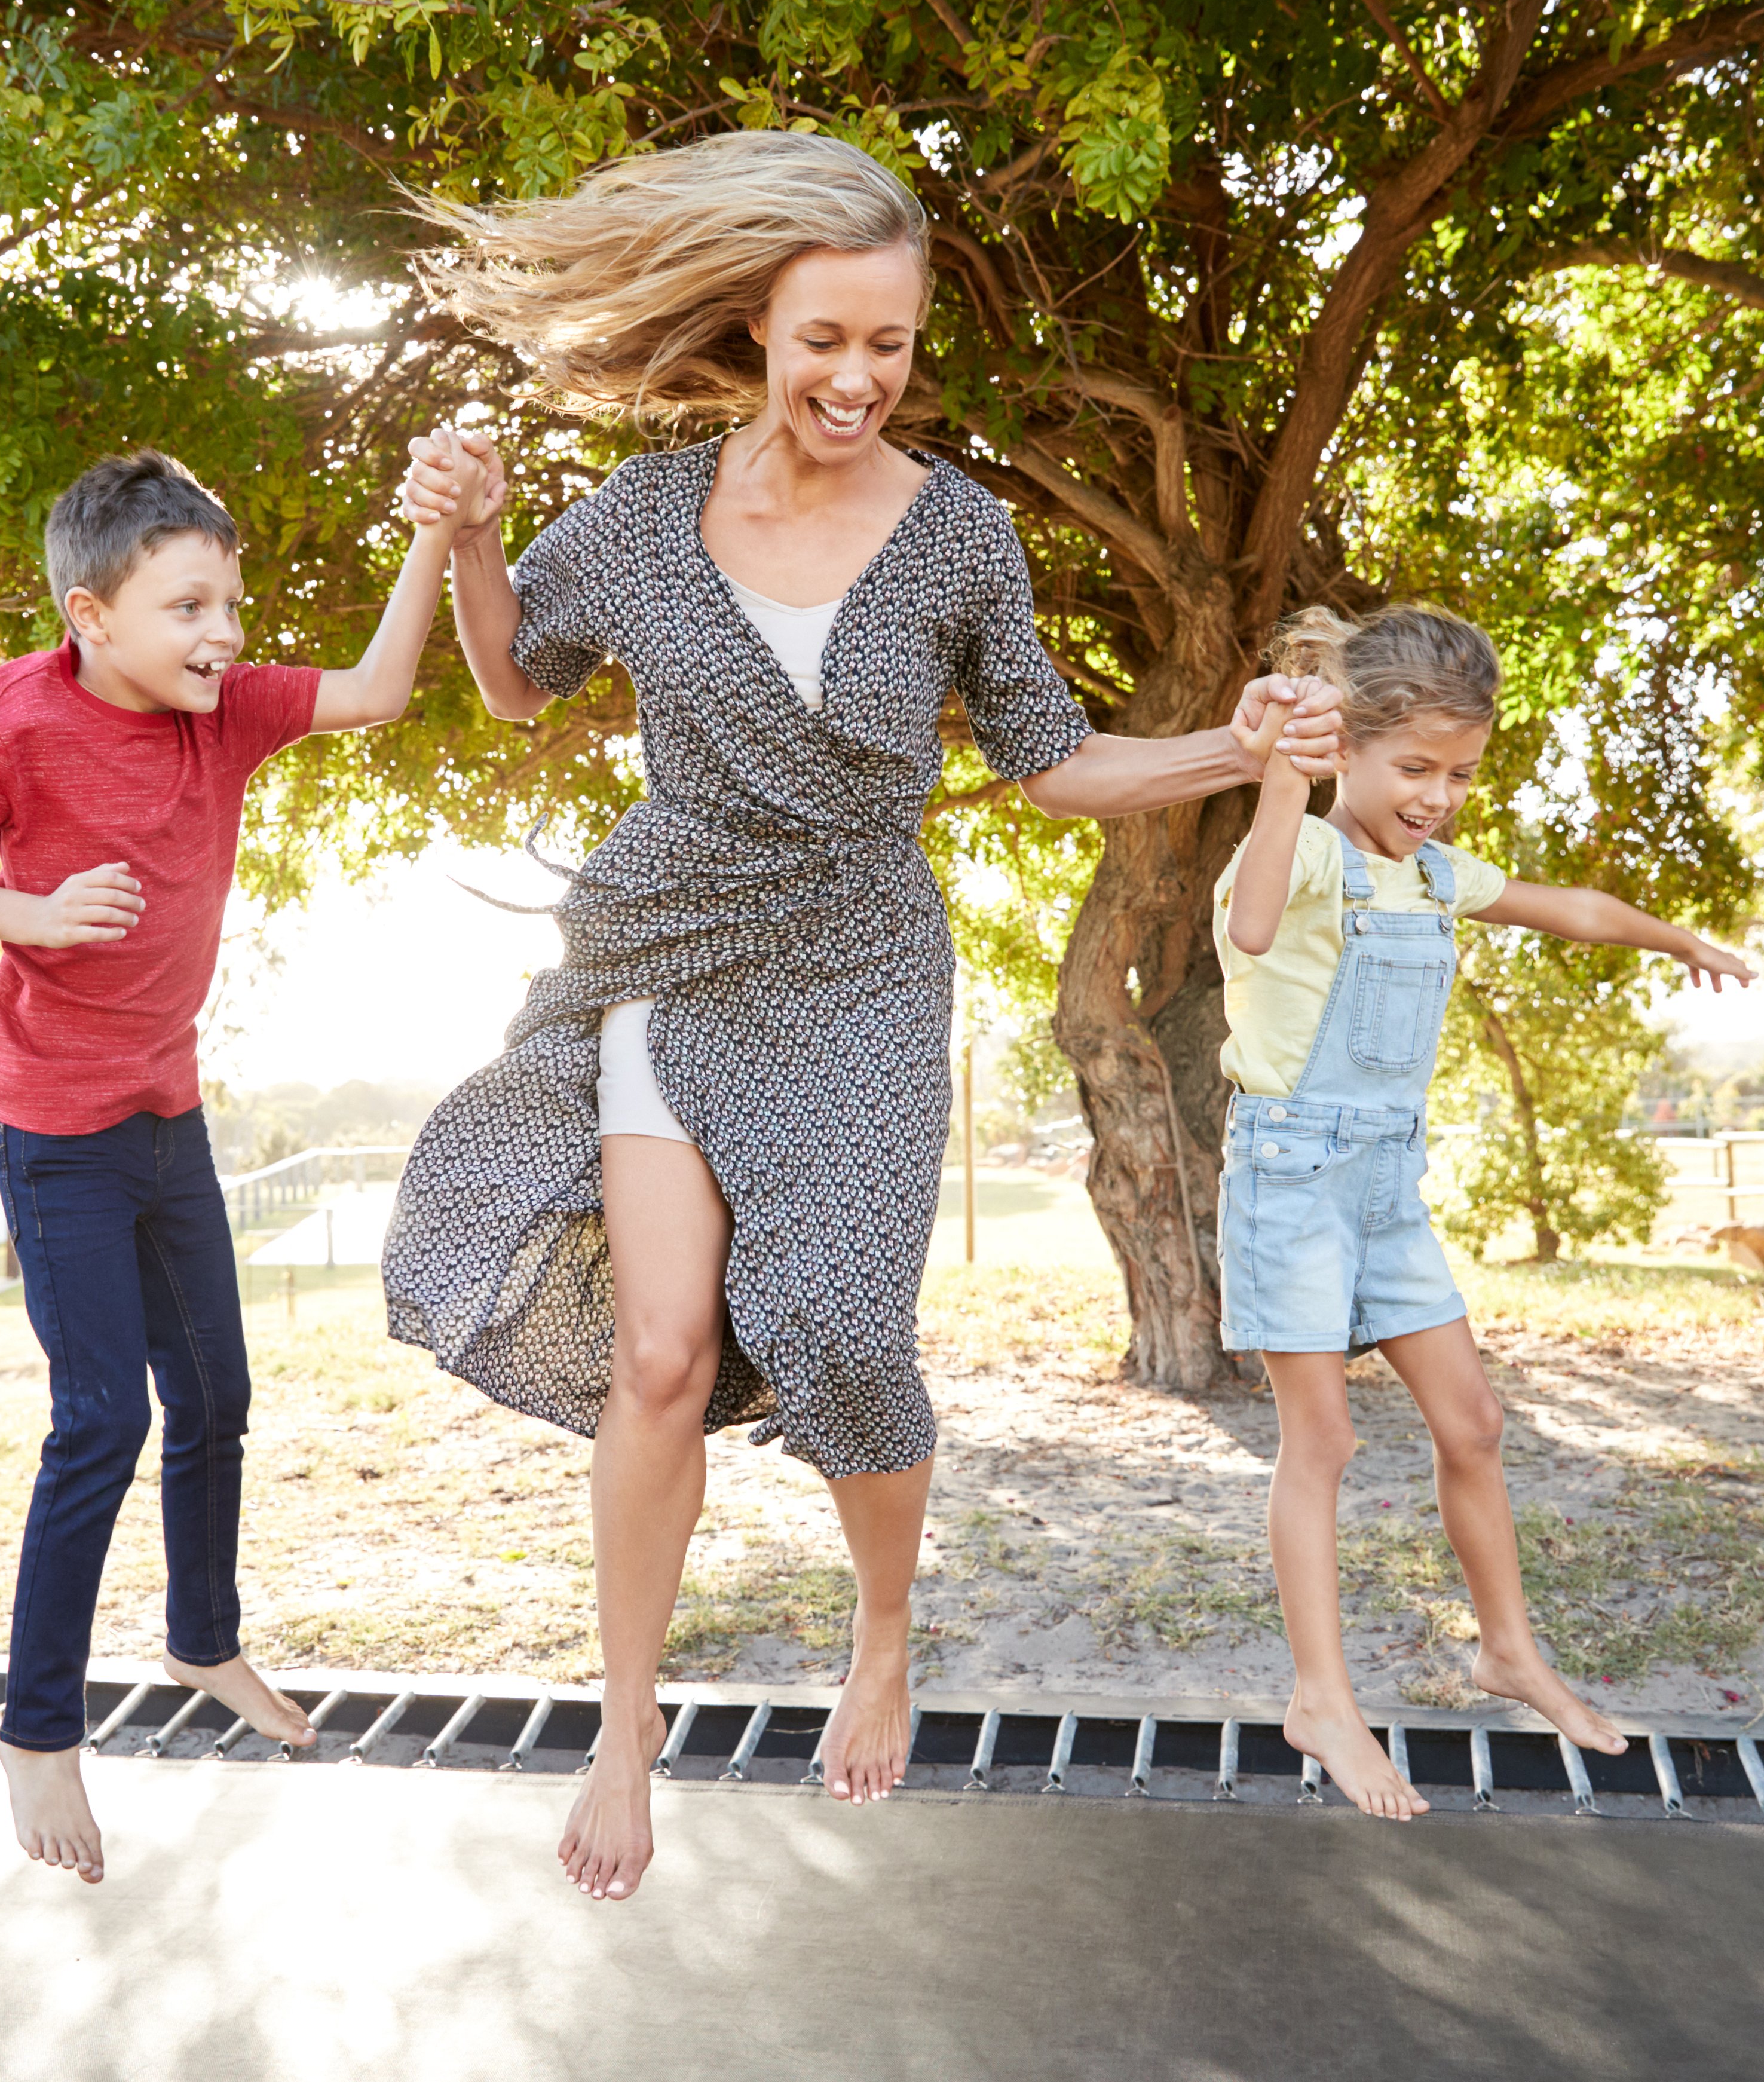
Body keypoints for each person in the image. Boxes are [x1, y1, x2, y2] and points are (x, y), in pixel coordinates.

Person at [383, 128, 1343, 1902]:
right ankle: (623, 1720)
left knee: (833, 1321)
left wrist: (1236, 744)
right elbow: (521, 686)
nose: (856, 376)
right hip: (669, 949)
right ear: (762, 323)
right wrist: (476, 543)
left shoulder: (960, 537)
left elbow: (1054, 766)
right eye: (826, 338)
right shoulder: (650, 517)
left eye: (889, 346)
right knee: (660, 1352)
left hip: (860, 965)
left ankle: (883, 1629)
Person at [0, 444, 468, 1882]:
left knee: (215, 1393)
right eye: (190, 607)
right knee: (102, 1420)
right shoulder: (13, 720)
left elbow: (378, 691)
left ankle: (203, 1642)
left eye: (233, 604)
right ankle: (36, 1733)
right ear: (92, 617)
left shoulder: (227, 715)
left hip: (166, 1114)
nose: (226, 635)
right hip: (54, 1136)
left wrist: (437, 534)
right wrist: (30, 915)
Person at [1214, 603, 1754, 1818]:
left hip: (1385, 1188)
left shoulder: (1439, 877)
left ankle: (1508, 1650)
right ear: (1343, 745)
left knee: (1475, 1421)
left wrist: (1679, 940)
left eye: (1460, 773)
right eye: (1416, 768)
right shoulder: (1297, 854)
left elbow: (1577, 909)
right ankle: (1323, 1702)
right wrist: (1277, 782)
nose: (1440, 795)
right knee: (1326, 1443)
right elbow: (1249, 928)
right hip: (1291, 1182)